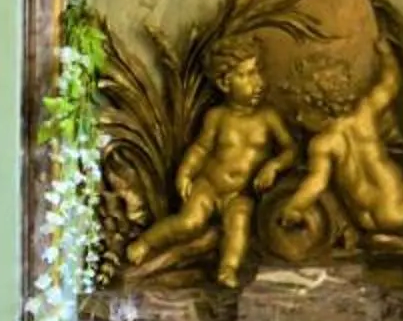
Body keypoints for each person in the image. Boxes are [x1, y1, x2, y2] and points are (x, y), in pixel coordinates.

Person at [279, 48, 403, 271]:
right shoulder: (365, 112)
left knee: (395, 213)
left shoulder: (323, 143)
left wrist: (294, 207)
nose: (298, 117)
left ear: (315, 105)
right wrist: (387, 56)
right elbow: (390, 83)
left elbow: (316, 183)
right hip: (395, 207)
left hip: (365, 221)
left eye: (301, 110)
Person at [125, 38, 296, 290]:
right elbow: (201, 149)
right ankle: (147, 242)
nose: (256, 81)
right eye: (246, 75)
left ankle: (227, 268)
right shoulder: (217, 117)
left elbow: (291, 149)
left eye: (256, 71)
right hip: (209, 185)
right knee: (189, 222)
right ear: (225, 83)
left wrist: (274, 166)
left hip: (241, 193)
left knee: (238, 225)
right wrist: (185, 173)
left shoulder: (268, 117)